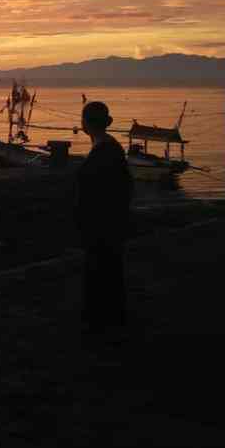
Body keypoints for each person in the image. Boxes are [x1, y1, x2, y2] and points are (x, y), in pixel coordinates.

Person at [74, 101, 132, 334]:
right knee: (110, 273)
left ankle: (103, 324)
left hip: (101, 226)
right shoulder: (113, 148)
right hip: (112, 223)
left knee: (100, 273)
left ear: (85, 124)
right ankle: (111, 318)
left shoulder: (103, 153)